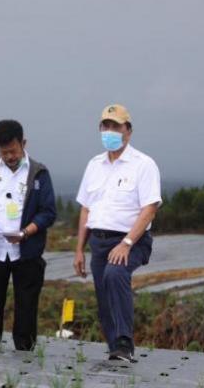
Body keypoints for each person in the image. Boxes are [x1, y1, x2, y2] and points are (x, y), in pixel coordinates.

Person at [73, 104, 162, 362]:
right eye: (105, 126)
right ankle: (117, 351)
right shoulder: (94, 165)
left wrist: (126, 242)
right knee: (103, 295)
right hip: (98, 242)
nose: (109, 131)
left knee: (115, 273)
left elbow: (149, 209)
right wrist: (79, 249)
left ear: (128, 131)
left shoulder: (143, 164)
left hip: (131, 240)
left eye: (115, 126)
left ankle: (124, 341)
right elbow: (86, 210)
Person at [0, 119, 56, 351]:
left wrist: (26, 232)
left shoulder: (39, 173)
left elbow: (48, 212)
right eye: (3, 152)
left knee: (26, 310)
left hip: (27, 253)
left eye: (13, 151)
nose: (9, 156)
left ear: (23, 143)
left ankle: (25, 358)